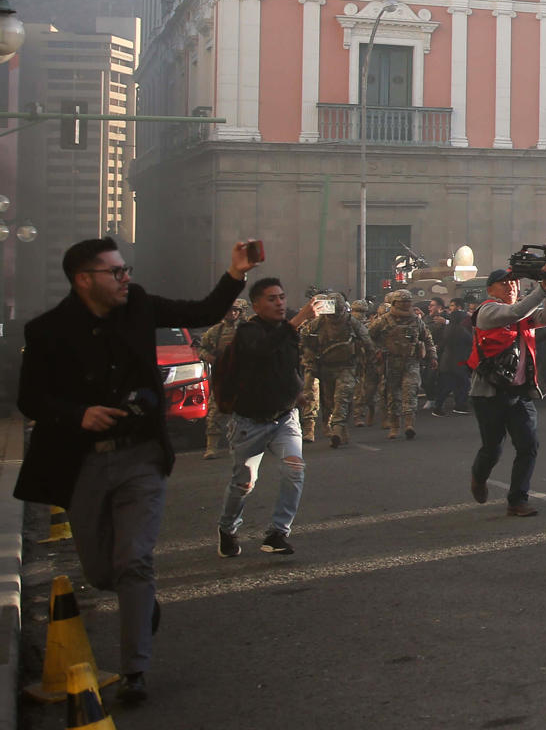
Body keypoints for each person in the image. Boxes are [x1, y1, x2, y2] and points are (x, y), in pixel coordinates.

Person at [13, 236, 256, 706]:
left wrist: (236, 273)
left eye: (126, 270)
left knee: (136, 561)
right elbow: (30, 399)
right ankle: (138, 601)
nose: (127, 278)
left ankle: (134, 671)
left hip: (140, 455)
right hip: (82, 461)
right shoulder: (47, 331)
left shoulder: (139, 306)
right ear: (84, 280)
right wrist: (78, 413)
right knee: (104, 570)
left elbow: (202, 311)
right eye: (115, 272)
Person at [217, 277, 319, 557]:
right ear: (256, 305)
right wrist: (297, 320)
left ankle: (278, 533)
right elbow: (261, 351)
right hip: (250, 422)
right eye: (272, 298)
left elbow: (287, 368)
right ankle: (227, 528)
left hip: (284, 418)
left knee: (294, 469)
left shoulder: (287, 333)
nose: (279, 303)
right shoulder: (248, 332)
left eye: (282, 297)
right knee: (244, 483)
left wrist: (297, 393)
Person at [467, 265, 546, 517]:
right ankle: (479, 477)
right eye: (504, 283)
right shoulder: (487, 311)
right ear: (490, 289)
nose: (511, 286)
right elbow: (515, 312)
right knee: (492, 448)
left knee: (528, 445)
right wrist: (541, 288)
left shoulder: (523, 311)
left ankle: (517, 500)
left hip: (519, 392)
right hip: (489, 392)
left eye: (514, 282)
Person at [301, 292, 372, 447]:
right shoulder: (319, 322)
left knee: (343, 396)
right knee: (328, 400)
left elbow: (367, 341)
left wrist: (369, 361)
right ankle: (334, 426)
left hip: (346, 366)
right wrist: (310, 356)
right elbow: (304, 338)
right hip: (326, 367)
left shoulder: (351, 322)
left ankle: (338, 429)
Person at [367, 291, 437, 440]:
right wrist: (377, 351)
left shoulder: (416, 320)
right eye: (402, 302)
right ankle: (394, 426)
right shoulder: (384, 321)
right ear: (394, 303)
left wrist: (432, 356)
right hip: (391, 362)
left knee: (410, 391)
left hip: (411, 361)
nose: (406, 305)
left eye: (408, 302)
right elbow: (369, 337)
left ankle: (409, 424)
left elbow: (427, 338)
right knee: (393, 395)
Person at [196, 300, 249, 458]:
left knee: (248, 413)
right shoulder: (215, 332)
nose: (232, 314)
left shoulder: (248, 329)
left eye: (235, 311)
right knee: (215, 412)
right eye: (229, 311)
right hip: (224, 376)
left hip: (245, 376)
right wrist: (210, 358)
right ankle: (211, 447)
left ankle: (249, 444)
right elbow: (201, 348)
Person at [431, 299, 474, 416]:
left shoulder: (448, 329)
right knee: (464, 384)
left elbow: (442, 345)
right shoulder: (462, 331)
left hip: (447, 361)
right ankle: (460, 406)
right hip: (459, 362)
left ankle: (438, 407)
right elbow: (472, 342)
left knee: (448, 385)